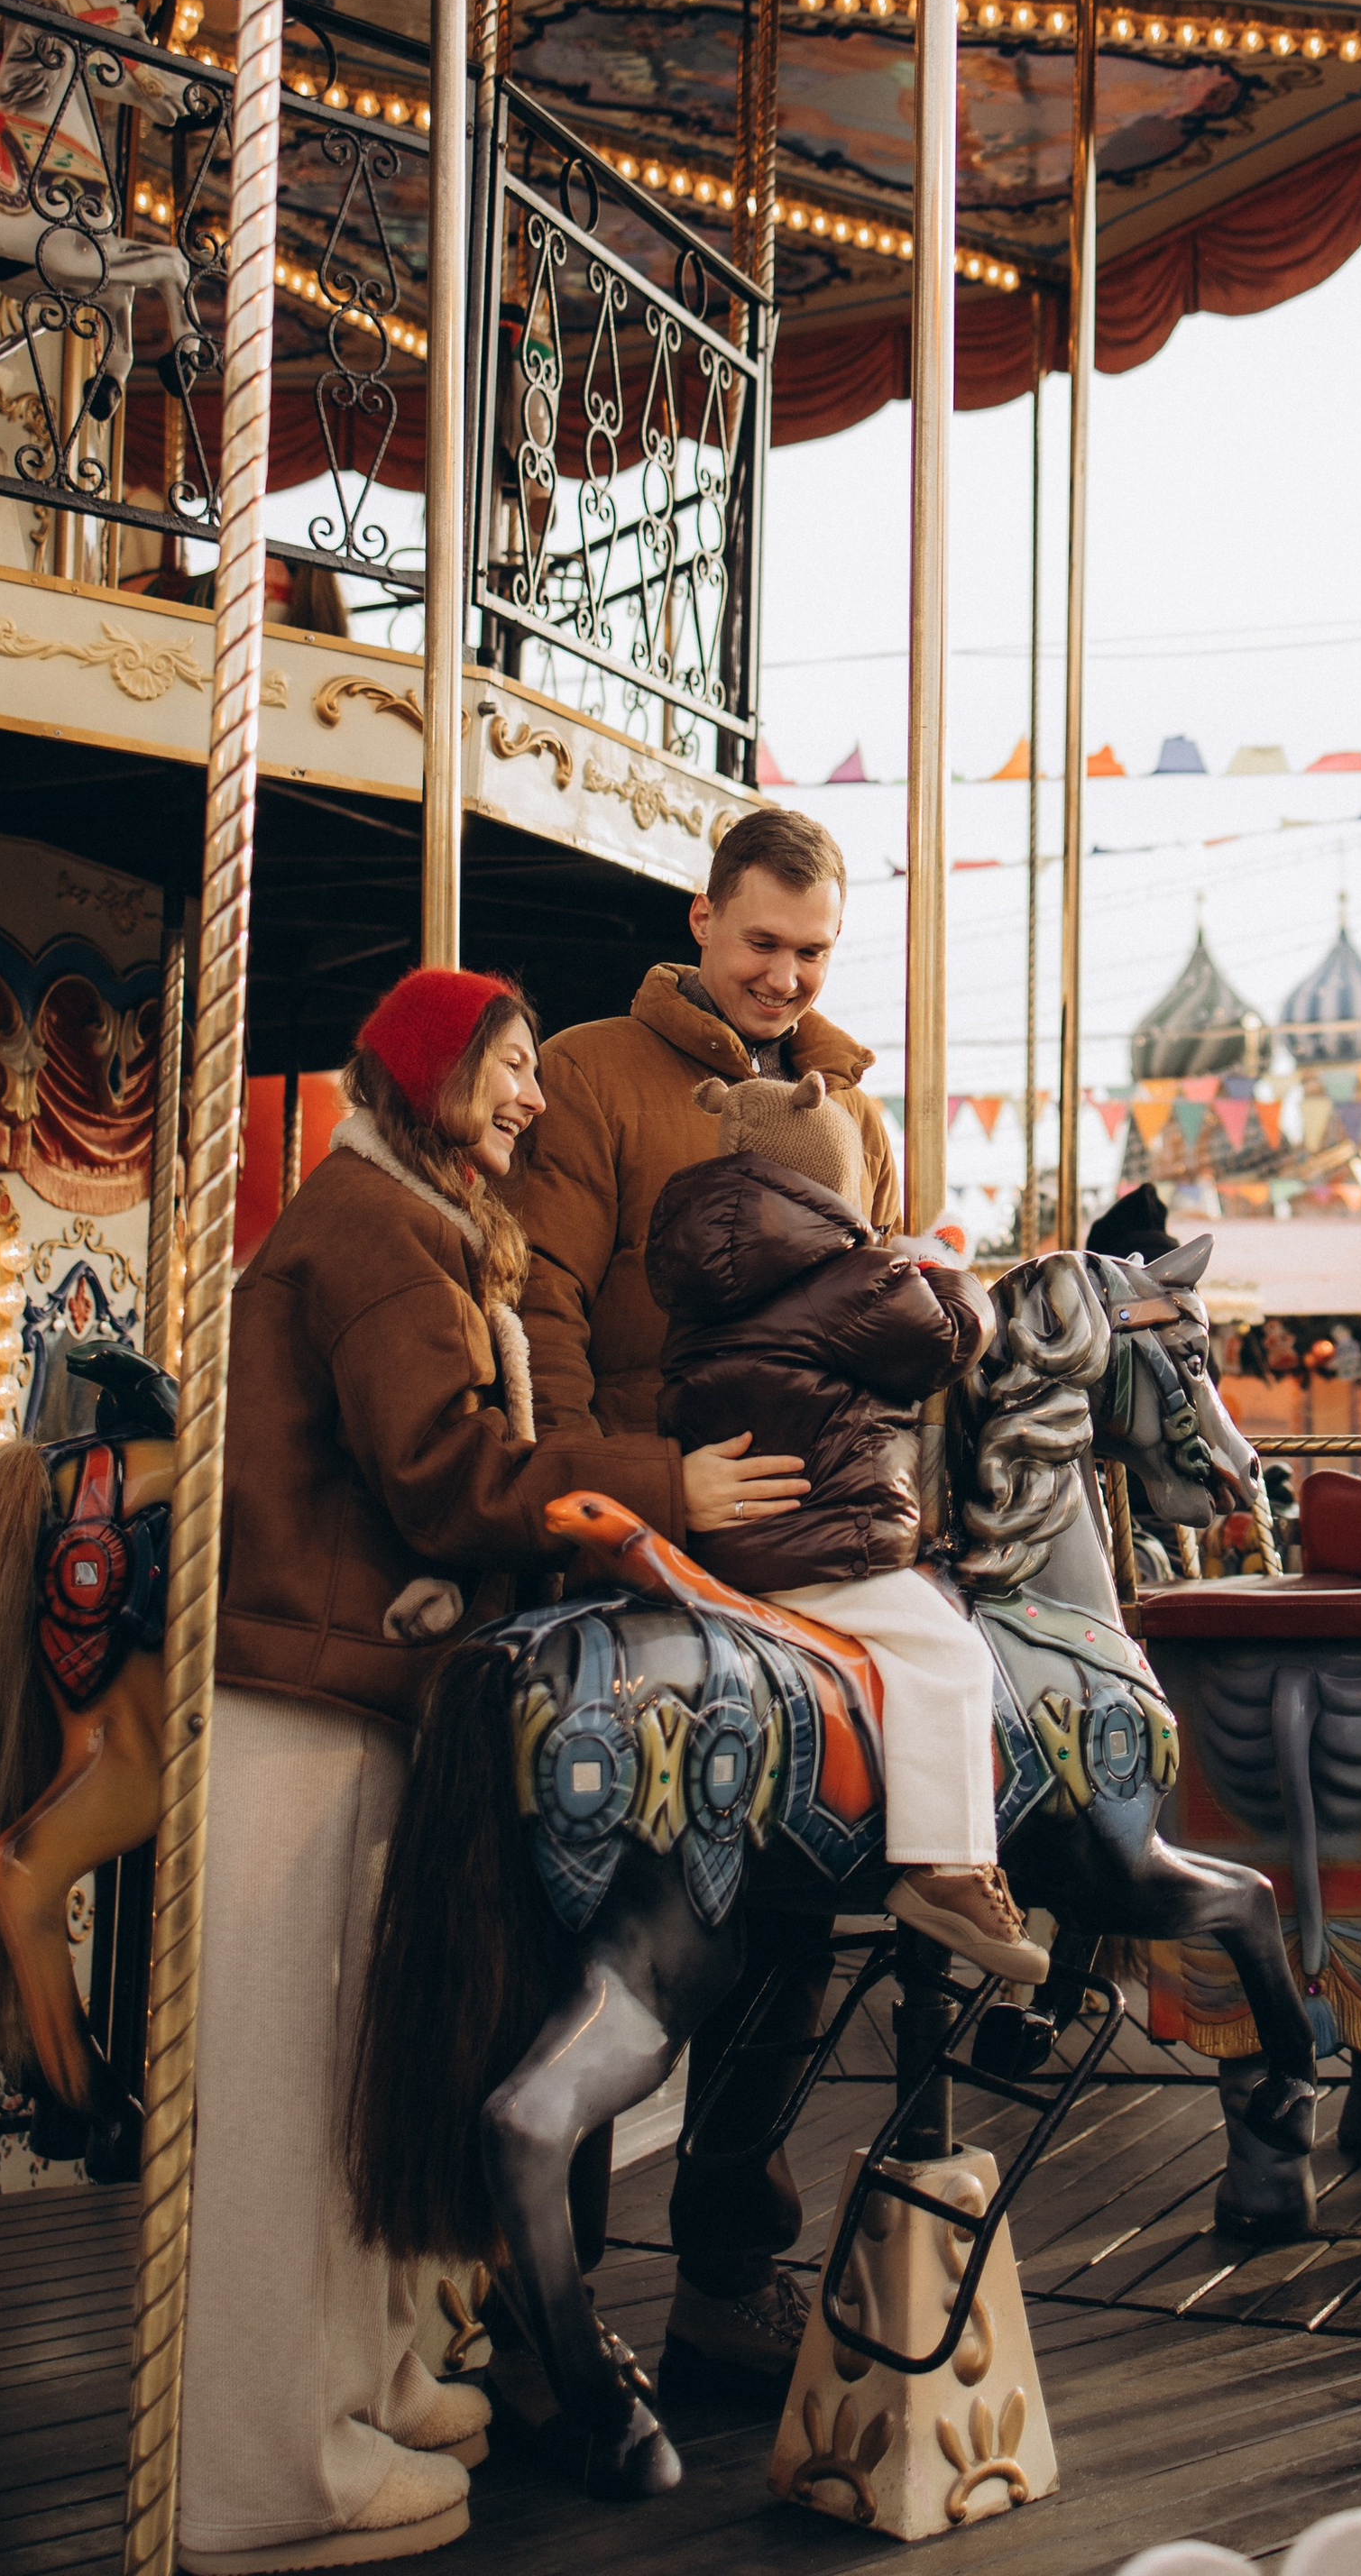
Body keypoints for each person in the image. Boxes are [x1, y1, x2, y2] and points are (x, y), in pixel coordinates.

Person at [179, 967, 713, 2576]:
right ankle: (273, 2477)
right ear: (430, 1073)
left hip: (367, 1686)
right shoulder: (371, 1231)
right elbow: (443, 1468)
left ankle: (376, 2389)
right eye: (513, 1067)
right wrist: (667, 1482)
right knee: (287, 2108)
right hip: (311, 1698)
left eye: (543, 1069)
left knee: (361, 2083)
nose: (536, 1097)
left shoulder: (412, 1220)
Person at [501, 804, 901, 2384]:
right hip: (636, 1550)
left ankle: (733, 2272)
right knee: (601, 1918)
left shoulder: (855, 1113)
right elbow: (538, 1307)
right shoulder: (601, 1076)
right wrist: (617, 1499)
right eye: (763, 944)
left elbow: (876, 1317)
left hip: (798, 1565)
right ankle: (550, 2292)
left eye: (811, 951)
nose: (787, 975)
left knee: (789, 1918)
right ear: (704, 921)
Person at [646, 1069, 1045, 1980]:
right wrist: (945, 1267)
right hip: (827, 1542)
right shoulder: (849, 1277)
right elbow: (946, 1343)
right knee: (947, 1652)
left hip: (727, 1538)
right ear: (826, 1186)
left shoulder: (699, 1286)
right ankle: (946, 1866)